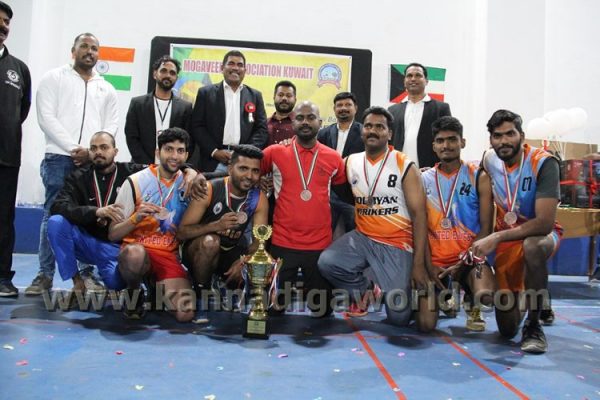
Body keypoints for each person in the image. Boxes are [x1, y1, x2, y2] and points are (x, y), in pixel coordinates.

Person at [47, 131, 202, 306]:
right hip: (88, 243)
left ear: (115, 151)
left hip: (117, 248)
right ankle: (77, 283)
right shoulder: (78, 177)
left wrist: (190, 171)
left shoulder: (132, 172)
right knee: (56, 223)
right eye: (94, 148)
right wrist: (95, 212)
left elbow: (167, 165)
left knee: (118, 280)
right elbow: (57, 206)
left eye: (104, 147)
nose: (99, 152)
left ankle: (137, 286)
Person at [318, 106, 431, 328]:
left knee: (398, 319)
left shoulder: (404, 164)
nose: (373, 130)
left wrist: (418, 264)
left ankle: (416, 293)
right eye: (368, 126)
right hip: (363, 237)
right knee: (328, 262)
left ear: (390, 134)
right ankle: (368, 290)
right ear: (362, 131)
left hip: (397, 243)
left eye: (380, 127)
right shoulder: (350, 161)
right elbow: (323, 168)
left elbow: (420, 216)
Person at [26, 32, 118, 296]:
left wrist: (92, 152)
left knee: (89, 215)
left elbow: (111, 125)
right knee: (52, 215)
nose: (90, 52)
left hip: (91, 161)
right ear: (73, 50)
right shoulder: (54, 78)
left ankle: (87, 275)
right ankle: (45, 275)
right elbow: (46, 117)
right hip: (59, 157)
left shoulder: (106, 88)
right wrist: (73, 148)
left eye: (94, 48)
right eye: (84, 46)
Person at [472, 109, 562, 354]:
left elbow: (544, 223)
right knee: (507, 328)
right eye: (497, 136)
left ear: (521, 136)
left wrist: (496, 236)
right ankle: (537, 296)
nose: (504, 141)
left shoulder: (544, 163)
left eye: (510, 134)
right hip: (508, 237)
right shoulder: (489, 159)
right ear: (491, 140)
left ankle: (533, 325)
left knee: (533, 247)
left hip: (539, 233)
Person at [261, 101, 347, 317]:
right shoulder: (274, 152)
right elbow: (247, 173)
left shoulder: (334, 158)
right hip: (283, 242)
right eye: (300, 118)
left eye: (311, 117)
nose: (305, 122)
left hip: (319, 245)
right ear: (293, 123)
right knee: (275, 308)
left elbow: (345, 193)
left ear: (320, 122)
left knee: (322, 310)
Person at [108, 128, 195, 322]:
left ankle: (156, 286)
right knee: (135, 255)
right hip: (137, 250)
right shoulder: (135, 181)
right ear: (158, 152)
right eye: (169, 149)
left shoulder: (190, 182)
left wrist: (194, 173)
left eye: (180, 151)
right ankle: (134, 291)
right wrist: (135, 218)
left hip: (167, 254)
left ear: (186, 155)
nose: (174, 156)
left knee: (185, 314)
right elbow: (113, 234)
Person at [419, 116, 495, 332]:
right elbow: (418, 228)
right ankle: (445, 294)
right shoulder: (423, 179)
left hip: (468, 257)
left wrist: (464, 261)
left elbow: (486, 229)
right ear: (434, 146)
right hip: (434, 262)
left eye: (452, 139)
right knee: (425, 325)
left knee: (486, 295)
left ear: (463, 142)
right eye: (440, 140)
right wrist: (427, 264)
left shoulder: (478, 176)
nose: (446, 145)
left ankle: (472, 301)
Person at [178, 145, 268, 320]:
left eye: (255, 171)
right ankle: (201, 291)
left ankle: (222, 283)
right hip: (198, 249)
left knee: (259, 268)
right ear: (230, 168)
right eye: (243, 168)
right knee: (211, 242)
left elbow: (259, 241)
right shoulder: (209, 189)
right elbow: (181, 233)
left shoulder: (259, 198)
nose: (249, 176)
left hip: (230, 250)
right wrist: (216, 225)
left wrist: (245, 262)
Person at [190, 50, 267, 172]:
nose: (235, 68)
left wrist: (245, 153)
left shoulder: (255, 96)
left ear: (245, 70)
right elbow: (197, 126)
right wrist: (214, 151)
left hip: (244, 162)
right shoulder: (206, 93)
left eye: (240, 65)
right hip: (213, 161)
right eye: (231, 63)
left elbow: (261, 130)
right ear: (222, 68)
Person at [0, 1, 31, 297]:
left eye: (7, 21)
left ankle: (2, 278)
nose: (3, 26)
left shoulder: (19, 69)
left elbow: (21, 111)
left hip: (6, 158)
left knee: (3, 220)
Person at [125, 55, 193, 164]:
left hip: (172, 167)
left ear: (176, 78)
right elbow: (131, 137)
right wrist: (148, 165)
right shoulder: (137, 104)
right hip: (142, 166)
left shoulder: (185, 107)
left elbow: (189, 141)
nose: (168, 75)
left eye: (172, 73)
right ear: (155, 74)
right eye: (163, 71)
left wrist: (175, 163)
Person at [317, 92, 364, 234]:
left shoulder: (364, 133)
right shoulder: (323, 133)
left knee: (354, 233)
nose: (343, 108)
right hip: (328, 193)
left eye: (348, 105)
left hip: (353, 193)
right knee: (324, 232)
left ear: (355, 108)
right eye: (339, 105)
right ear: (334, 109)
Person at [388, 62, 451, 168]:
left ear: (426, 81)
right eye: (409, 76)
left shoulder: (441, 108)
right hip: (398, 171)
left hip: (430, 171)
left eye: (418, 75)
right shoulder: (392, 111)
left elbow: (448, 140)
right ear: (404, 81)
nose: (413, 79)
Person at [267, 80, 297, 145]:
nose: (284, 98)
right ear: (274, 97)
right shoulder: (264, 124)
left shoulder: (300, 125)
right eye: (280, 95)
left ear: (295, 100)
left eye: (289, 96)